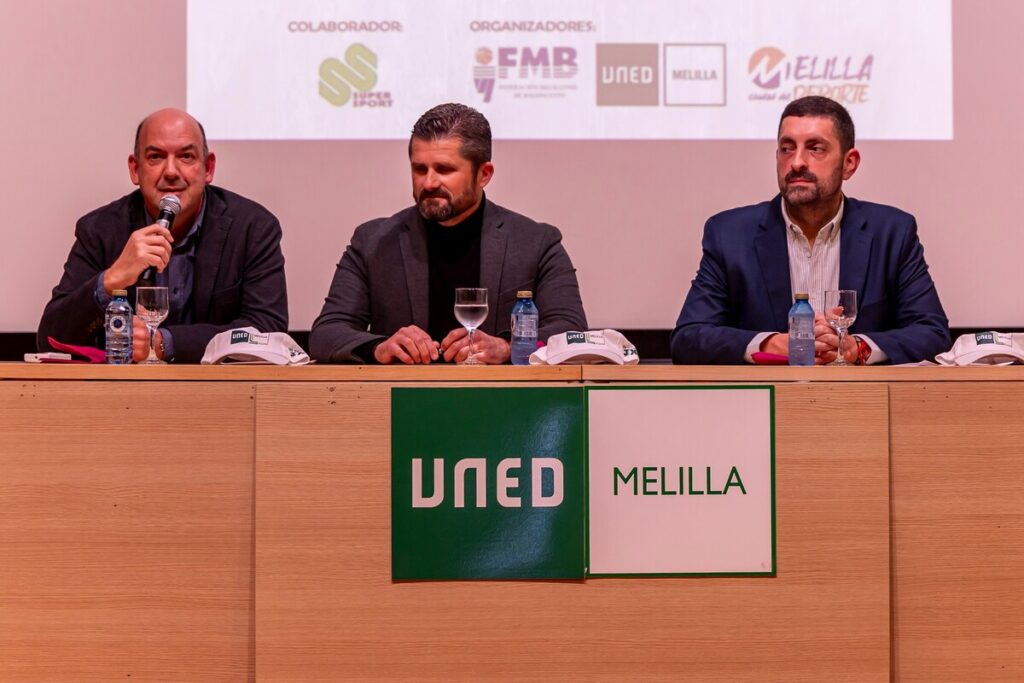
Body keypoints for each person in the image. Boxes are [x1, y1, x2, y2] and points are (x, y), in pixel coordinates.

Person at [671, 96, 950, 365]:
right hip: (763, 405)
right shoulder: (729, 235)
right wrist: (772, 344)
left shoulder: (892, 232)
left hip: (861, 402)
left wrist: (857, 347)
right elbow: (689, 337)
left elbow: (932, 333)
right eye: (787, 148)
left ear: (849, 164)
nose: (796, 162)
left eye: (815, 148)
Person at [309, 102, 587, 364]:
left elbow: (570, 330)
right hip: (402, 400)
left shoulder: (536, 243)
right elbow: (327, 332)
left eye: (444, 169)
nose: (429, 182)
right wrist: (378, 347)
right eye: (419, 169)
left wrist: (508, 347)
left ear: (484, 174)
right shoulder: (373, 242)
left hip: (504, 401)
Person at [38, 108, 288, 363]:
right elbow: (51, 338)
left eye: (186, 157)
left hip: (223, 393)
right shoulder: (100, 230)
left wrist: (162, 342)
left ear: (208, 168)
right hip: (123, 396)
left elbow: (267, 327)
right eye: (156, 157)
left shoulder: (252, 228)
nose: (170, 171)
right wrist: (111, 279)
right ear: (135, 170)